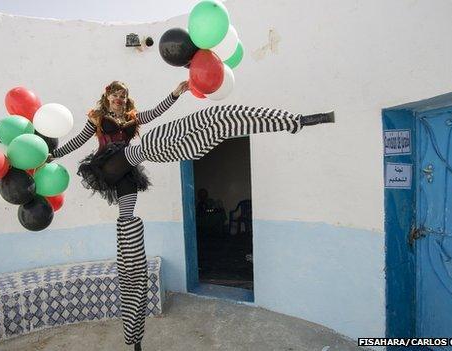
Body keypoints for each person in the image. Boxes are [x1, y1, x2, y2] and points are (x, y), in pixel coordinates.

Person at [49, 80, 335, 351]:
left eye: (122, 94)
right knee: (154, 143)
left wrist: (175, 93)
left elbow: (156, 111)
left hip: (128, 175)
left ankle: (133, 333)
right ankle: (213, 128)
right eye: (114, 93)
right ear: (106, 95)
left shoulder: (133, 116)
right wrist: (54, 155)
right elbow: (77, 141)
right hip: (110, 165)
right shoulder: (97, 117)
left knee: (129, 223)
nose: (119, 98)